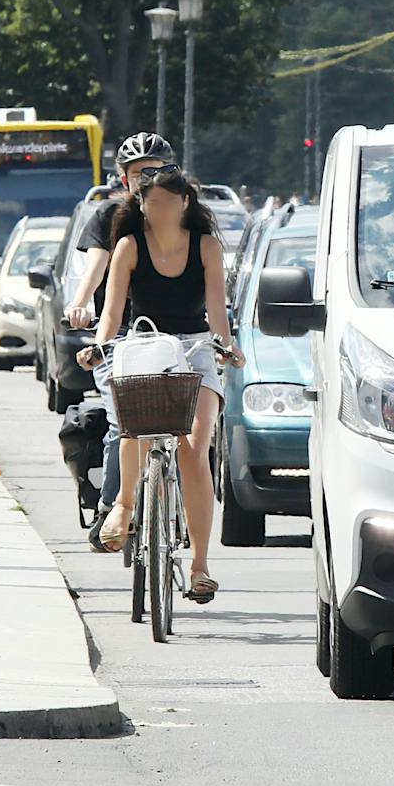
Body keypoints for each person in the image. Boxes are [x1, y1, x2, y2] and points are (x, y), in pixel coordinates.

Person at [91, 169, 242, 602]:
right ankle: (122, 507)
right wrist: (99, 348)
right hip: (144, 344)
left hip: (195, 350)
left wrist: (227, 347)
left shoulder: (207, 246)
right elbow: (112, 312)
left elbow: (217, 311)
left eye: (164, 203)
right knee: (132, 424)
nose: (155, 211)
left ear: (184, 204)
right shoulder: (129, 246)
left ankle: (199, 565)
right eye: (148, 204)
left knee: (195, 448)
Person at [67, 133, 177, 537]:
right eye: (137, 173)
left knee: (188, 418)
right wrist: (80, 303)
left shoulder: (182, 215)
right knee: (123, 416)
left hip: (173, 335)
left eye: (157, 171)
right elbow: (96, 263)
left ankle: (174, 494)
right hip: (120, 335)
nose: (147, 179)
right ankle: (111, 509)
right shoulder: (109, 216)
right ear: (123, 179)